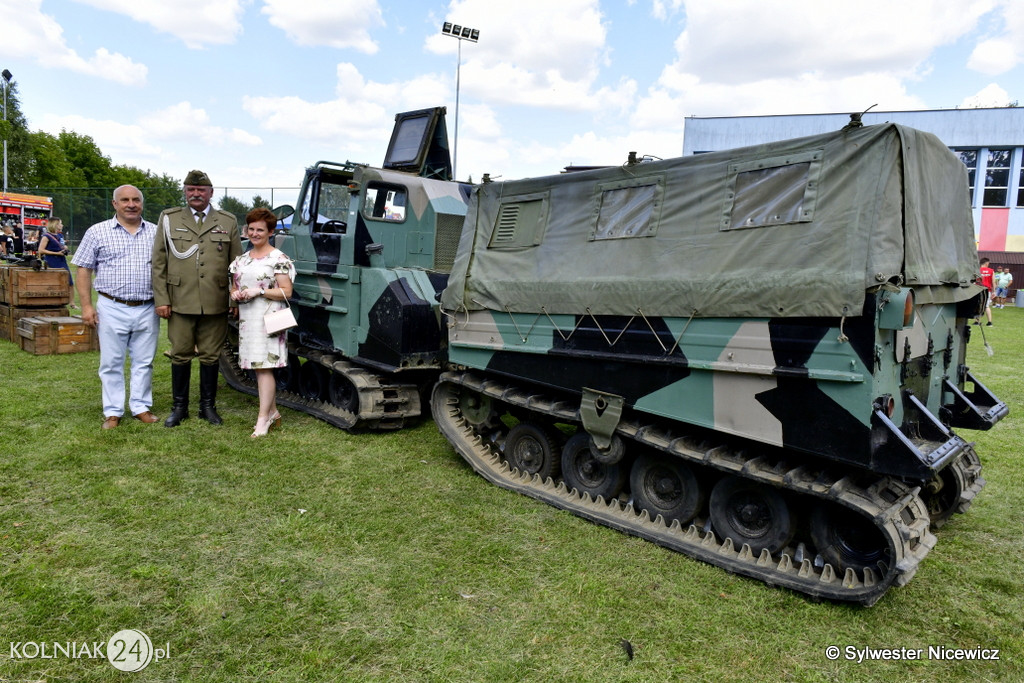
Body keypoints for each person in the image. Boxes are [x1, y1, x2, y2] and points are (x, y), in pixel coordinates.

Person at [152, 169, 241, 427]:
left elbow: (237, 265)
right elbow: (158, 262)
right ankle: (179, 408)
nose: (195, 194)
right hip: (179, 299)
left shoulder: (227, 221)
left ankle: (207, 407)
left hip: (216, 300)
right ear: (185, 192)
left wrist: (233, 301)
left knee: (210, 355)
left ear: (211, 193)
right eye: (191, 189)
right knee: (180, 354)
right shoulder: (169, 219)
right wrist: (162, 299)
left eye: (201, 190)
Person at [71, 185, 160, 429]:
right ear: (114, 204)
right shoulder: (97, 232)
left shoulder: (156, 232)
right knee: (111, 362)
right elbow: (83, 269)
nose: (131, 204)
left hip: (147, 306)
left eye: (135, 200)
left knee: (144, 361)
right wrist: (87, 306)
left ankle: (141, 407)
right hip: (111, 306)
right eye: (125, 200)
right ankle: (113, 411)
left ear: (142, 203)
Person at [229, 208, 295, 437]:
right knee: (258, 369)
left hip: (269, 320)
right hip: (248, 320)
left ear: (270, 232)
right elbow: (234, 286)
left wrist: (260, 291)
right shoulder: (242, 260)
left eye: (260, 230)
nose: (255, 233)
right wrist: (235, 294)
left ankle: (263, 419)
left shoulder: (279, 259)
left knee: (264, 369)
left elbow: (287, 291)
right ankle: (273, 412)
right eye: (251, 229)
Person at [39, 217, 73, 285]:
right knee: (56, 282)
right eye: (60, 223)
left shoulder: (60, 235)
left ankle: (69, 295)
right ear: (55, 225)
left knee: (69, 282)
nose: (62, 225)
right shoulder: (46, 236)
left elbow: (62, 245)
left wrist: (65, 248)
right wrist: (56, 253)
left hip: (62, 261)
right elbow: (41, 250)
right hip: (52, 261)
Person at [975, 257, 994, 326]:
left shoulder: (977, 270)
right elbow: (993, 281)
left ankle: (977, 321)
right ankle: (989, 322)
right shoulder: (991, 271)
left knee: (978, 305)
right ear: (986, 263)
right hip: (987, 290)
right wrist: (994, 291)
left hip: (978, 289)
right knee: (986, 306)